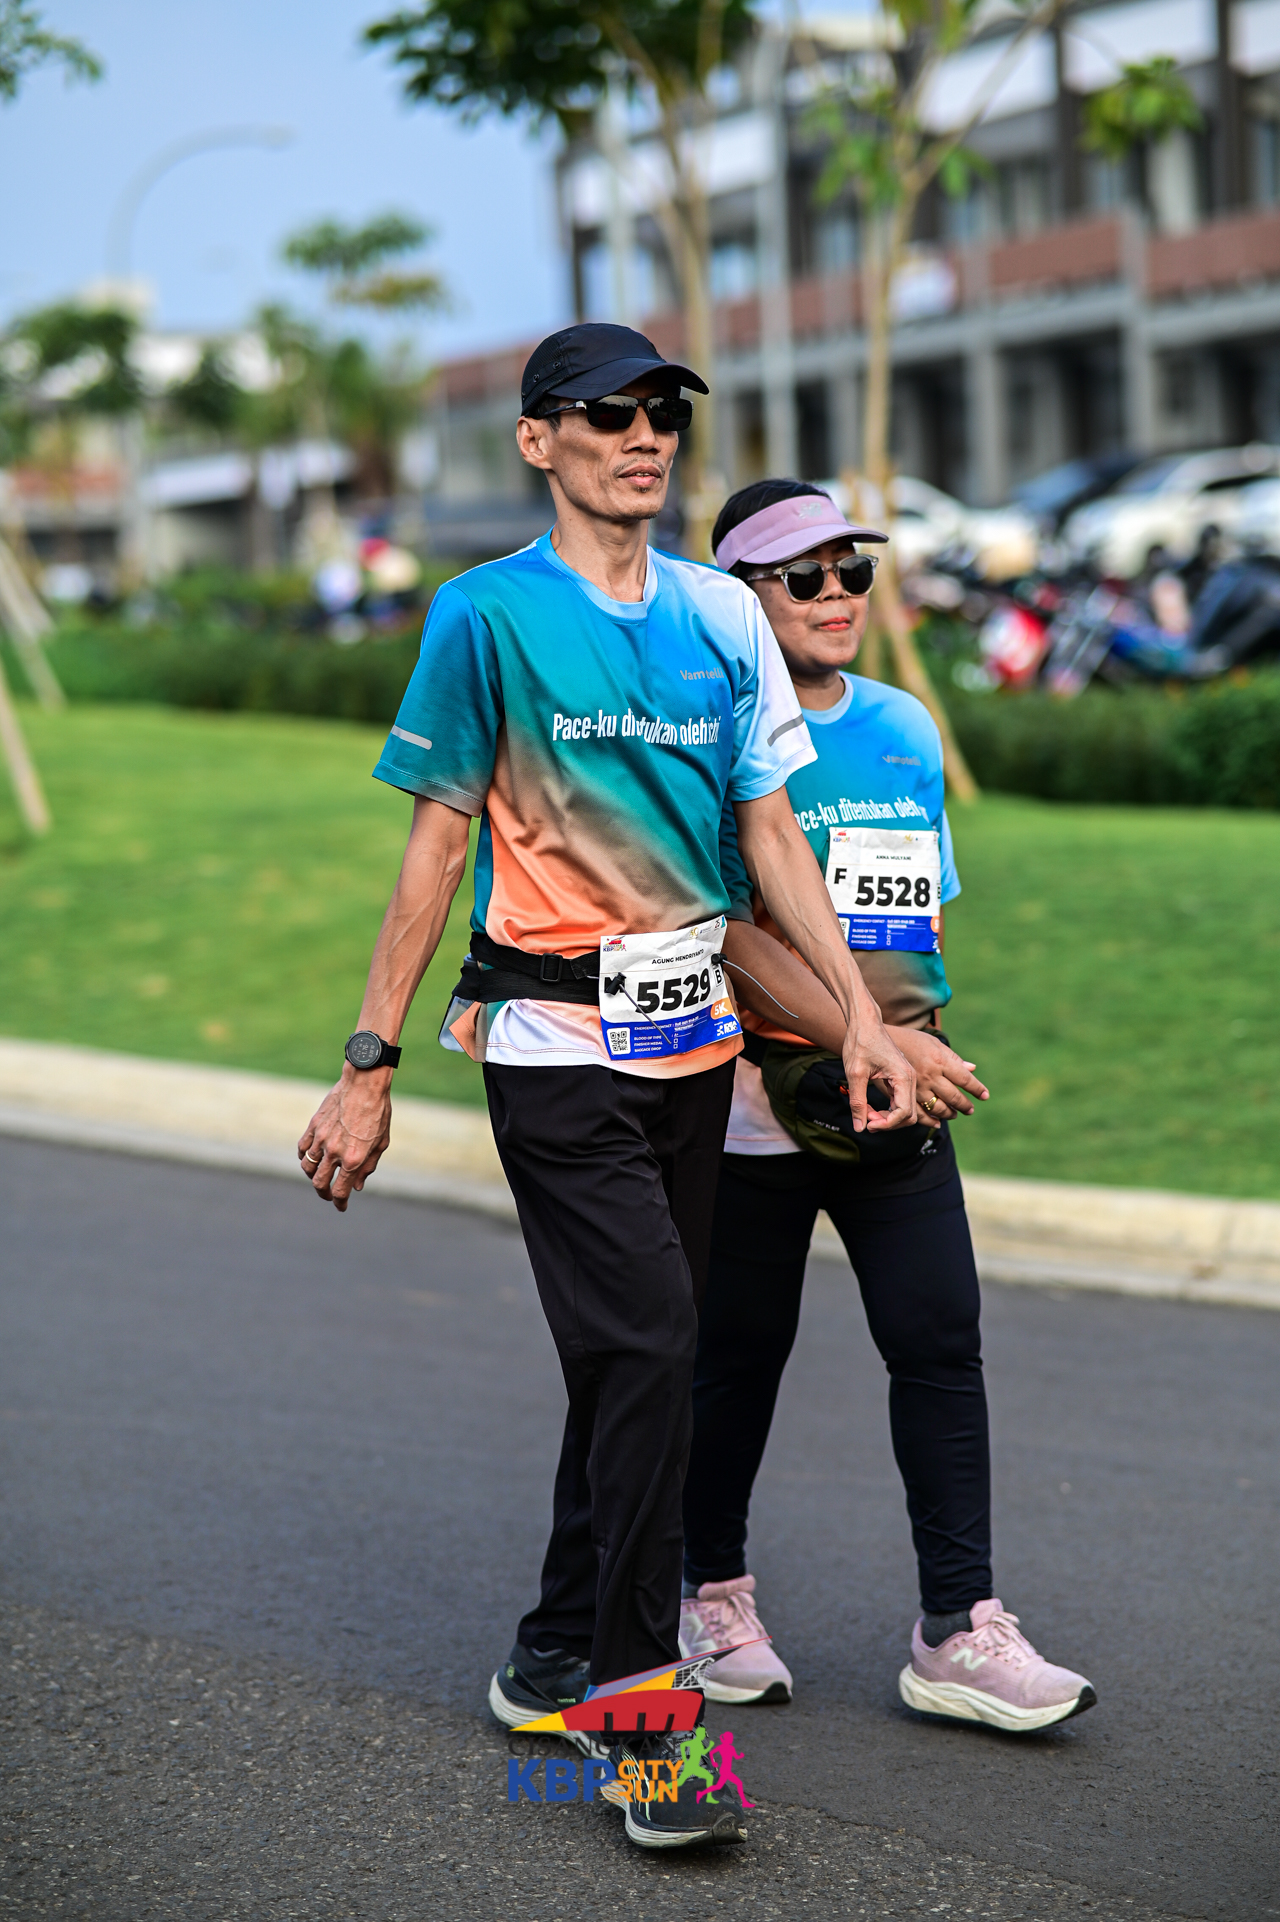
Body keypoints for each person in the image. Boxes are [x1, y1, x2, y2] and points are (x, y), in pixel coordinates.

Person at [296, 328, 916, 1851]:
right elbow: (438, 841)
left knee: (632, 1354)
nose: (643, 437)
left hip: (692, 1044)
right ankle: (643, 1717)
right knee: (651, 1342)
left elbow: (770, 837)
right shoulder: (486, 615)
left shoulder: (721, 613)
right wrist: (368, 1062)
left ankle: (550, 1646)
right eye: (607, 414)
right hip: (549, 1041)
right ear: (538, 441)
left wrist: (856, 1018)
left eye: (661, 415)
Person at [677, 478, 1098, 1735]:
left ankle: (956, 1628)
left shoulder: (902, 724)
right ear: (739, 597)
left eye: (850, 569)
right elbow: (730, 930)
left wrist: (917, 1037)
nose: (836, 594)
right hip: (754, 1103)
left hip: (895, 1098)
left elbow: (914, 916)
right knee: (734, 1359)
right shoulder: (707, 732)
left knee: (937, 1342)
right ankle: (709, 1598)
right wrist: (870, 1037)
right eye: (801, 576)